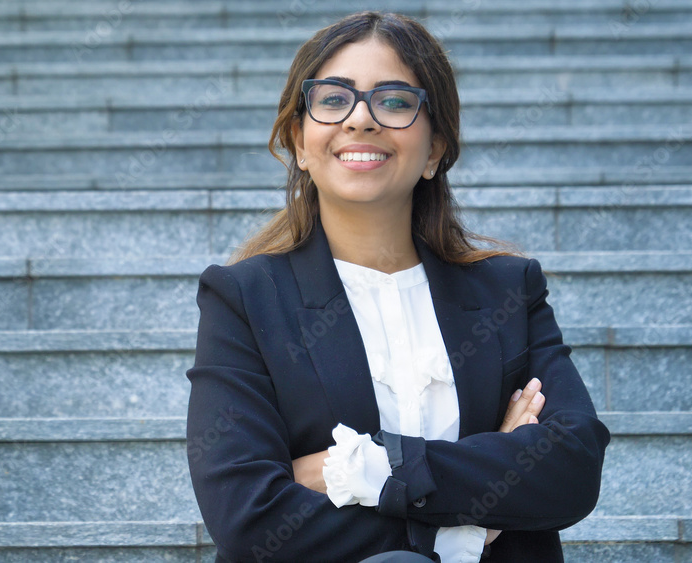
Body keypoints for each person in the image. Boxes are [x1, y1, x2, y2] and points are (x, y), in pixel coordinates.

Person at [185, 11, 610, 563]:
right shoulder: (244, 298)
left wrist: (367, 469)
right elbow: (248, 515)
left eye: (394, 101)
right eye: (334, 99)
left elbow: (571, 466)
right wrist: (463, 522)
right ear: (300, 142)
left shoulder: (508, 290)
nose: (360, 120)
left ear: (435, 149)